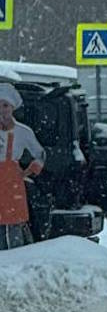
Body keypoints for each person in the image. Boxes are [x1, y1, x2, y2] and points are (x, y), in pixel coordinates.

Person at [0, 83, 45, 250]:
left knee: (14, 223)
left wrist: (28, 171)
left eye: (5, 105)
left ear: (12, 108)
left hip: (12, 184)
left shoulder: (23, 132)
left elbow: (40, 154)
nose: (1, 110)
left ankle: (17, 257)